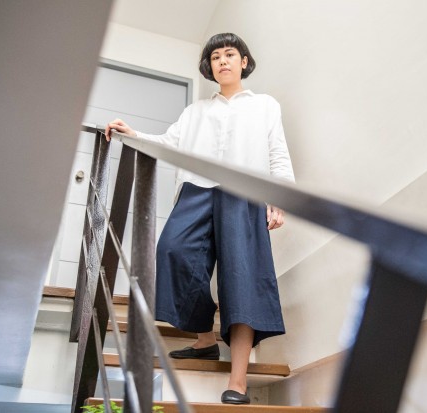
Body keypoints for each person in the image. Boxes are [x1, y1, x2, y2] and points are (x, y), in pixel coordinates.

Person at [105, 33, 295, 405]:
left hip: (245, 193)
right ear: (209, 67)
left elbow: (278, 153)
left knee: (242, 280)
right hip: (197, 190)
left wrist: (278, 199)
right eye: (215, 57)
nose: (222, 61)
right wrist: (133, 133)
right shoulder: (195, 112)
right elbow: (170, 143)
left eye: (229, 54)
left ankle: (238, 381)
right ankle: (205, 340)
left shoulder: (265, 106)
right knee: (172, 252)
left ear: (243, 62)